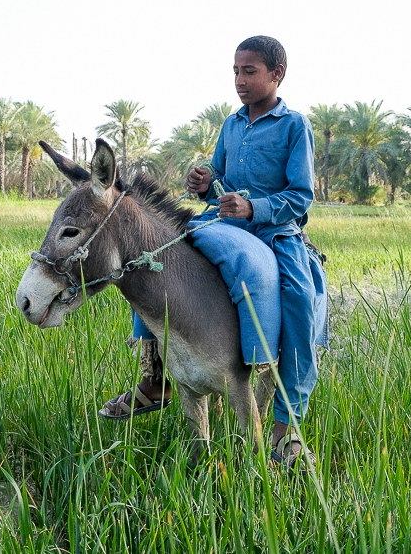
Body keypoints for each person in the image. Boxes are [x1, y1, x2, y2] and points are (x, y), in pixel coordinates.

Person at [99, 35, 328, 470]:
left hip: (277, 233)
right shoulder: (231, 125)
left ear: (277, 74)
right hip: (222, 224)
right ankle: (155, 378)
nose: (240, 80)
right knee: (152, 257)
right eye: (235, 71)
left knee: (301, 300)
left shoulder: (294, 126)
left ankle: (285, 427)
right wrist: (206, 184)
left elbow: (300, 196)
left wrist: (252, 207)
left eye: (250, 71)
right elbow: (220, 181)